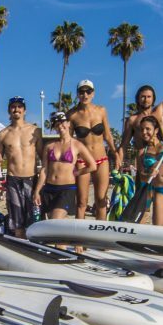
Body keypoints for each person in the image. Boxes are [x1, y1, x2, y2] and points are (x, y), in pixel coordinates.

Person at [68, 79, 118, 220]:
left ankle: (99, 235)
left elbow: (107, 135)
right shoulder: (72, 115)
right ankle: (79, 240)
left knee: (101, 200)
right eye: (82, 92)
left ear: (93, 93)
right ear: (77, 94)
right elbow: (69, 140)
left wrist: (116, 154)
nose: (85, 94)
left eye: (88, 91)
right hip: (83, 161)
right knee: (82, 202)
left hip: (101, 159)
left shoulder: (101, 111)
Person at [0, 96, 43, 237]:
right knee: (16, 220)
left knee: (34, 219)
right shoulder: (2, 134)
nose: (16, 109)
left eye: (19, 107)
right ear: (9, 110)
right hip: (13, 179)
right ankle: (20, 246)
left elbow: (44, 158)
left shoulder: (35, 131)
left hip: (31, 179)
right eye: (13, 107)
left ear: (25, 110)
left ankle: (34, 249)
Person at [35, 112, 97, 219]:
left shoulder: (77, 145)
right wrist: (37, 191)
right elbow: (44, 170)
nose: (60, 126)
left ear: (68, 123)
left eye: (62, 122)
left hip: (66, 189)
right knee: (52, 220)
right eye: (56, 124)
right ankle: (71, 232)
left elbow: (92, 165)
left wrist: (77, 172)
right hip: (49, 188)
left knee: (56, 218)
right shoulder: (49, 146)